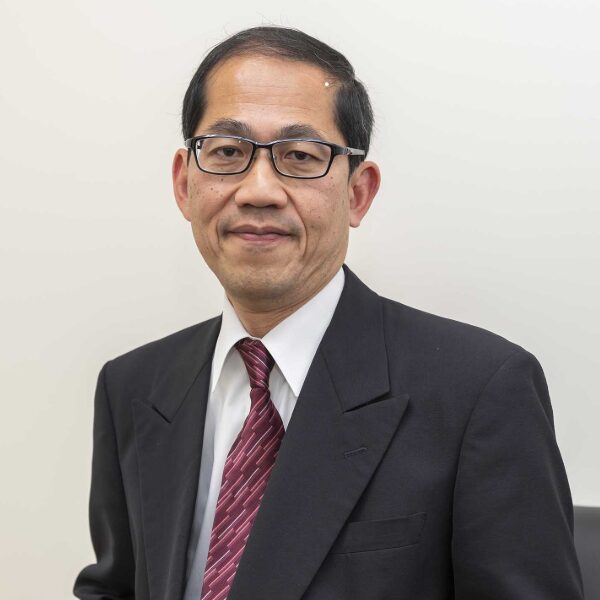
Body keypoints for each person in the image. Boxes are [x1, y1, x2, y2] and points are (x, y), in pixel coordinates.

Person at [73, 26, 584, 600]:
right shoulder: (133, 386)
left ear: (358, 193)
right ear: (184, 184)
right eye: (227, 152)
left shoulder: (479, 391)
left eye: (299, 156)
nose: (258, 190)